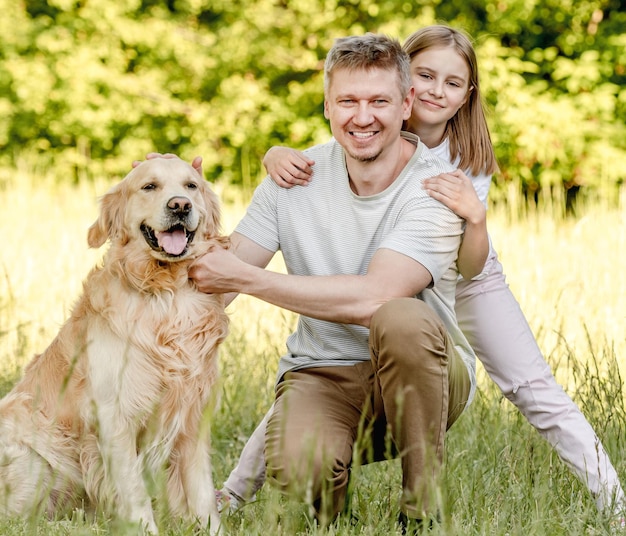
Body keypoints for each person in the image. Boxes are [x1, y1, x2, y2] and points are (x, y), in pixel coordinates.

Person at [216, 24, 626, 524]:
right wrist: (255, 165)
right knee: (316, 372)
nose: (437, 90)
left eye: (452, 83)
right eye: (427, 75)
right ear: (408, 87)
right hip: (371, 293)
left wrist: (474, 217)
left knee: (530, 385)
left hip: (461, 285)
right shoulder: (332, 147)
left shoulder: (453, 172)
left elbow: (463, 269)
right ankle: (241, 490)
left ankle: (607, 500)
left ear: (452, 96)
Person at [188, 33, 475, 529]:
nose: (362, 117)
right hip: (322, 374)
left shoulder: (437, 187)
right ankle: (330, 513)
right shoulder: (292, 178)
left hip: (422, 374)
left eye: (379, 101)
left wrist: (254, 281)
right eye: (348, 101)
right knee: (297, 464)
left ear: (407, 103)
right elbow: (221, 277)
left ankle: (422, 512)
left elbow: (377, 297)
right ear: (327, 104)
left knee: (401, 316)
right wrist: (174, 199)